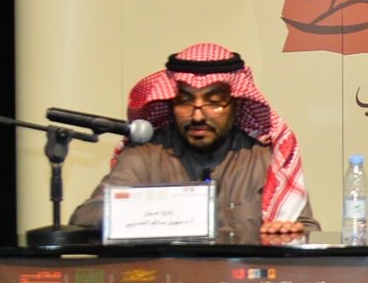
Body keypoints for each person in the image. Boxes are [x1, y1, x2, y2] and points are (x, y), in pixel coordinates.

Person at [70, 43, 319, 245]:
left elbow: (308, 228)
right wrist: (164, 213)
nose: (198, 116)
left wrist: (288, 232)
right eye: (185, 101)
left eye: (214, 101)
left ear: (237, 105)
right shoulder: (145, 154)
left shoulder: (264, 156)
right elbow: (85, 216)